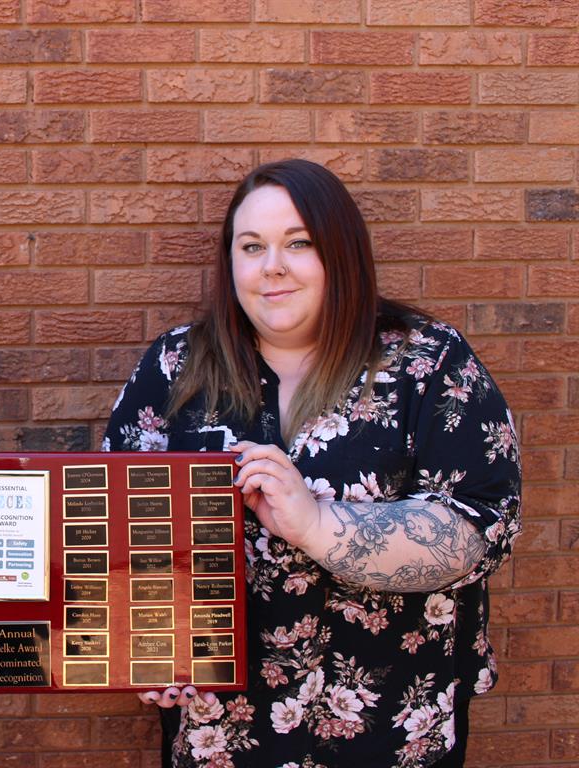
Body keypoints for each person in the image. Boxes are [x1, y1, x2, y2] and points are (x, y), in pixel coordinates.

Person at [103, 159, 520, 768]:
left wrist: (319, 525)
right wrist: (137, 649)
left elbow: (482, 529)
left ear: (341, 254)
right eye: (252, 246)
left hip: (393, 724)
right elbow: (113, 531)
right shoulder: (176, 369)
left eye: (298, 243)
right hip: (224, 730)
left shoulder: (428, 364)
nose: (272, 265)